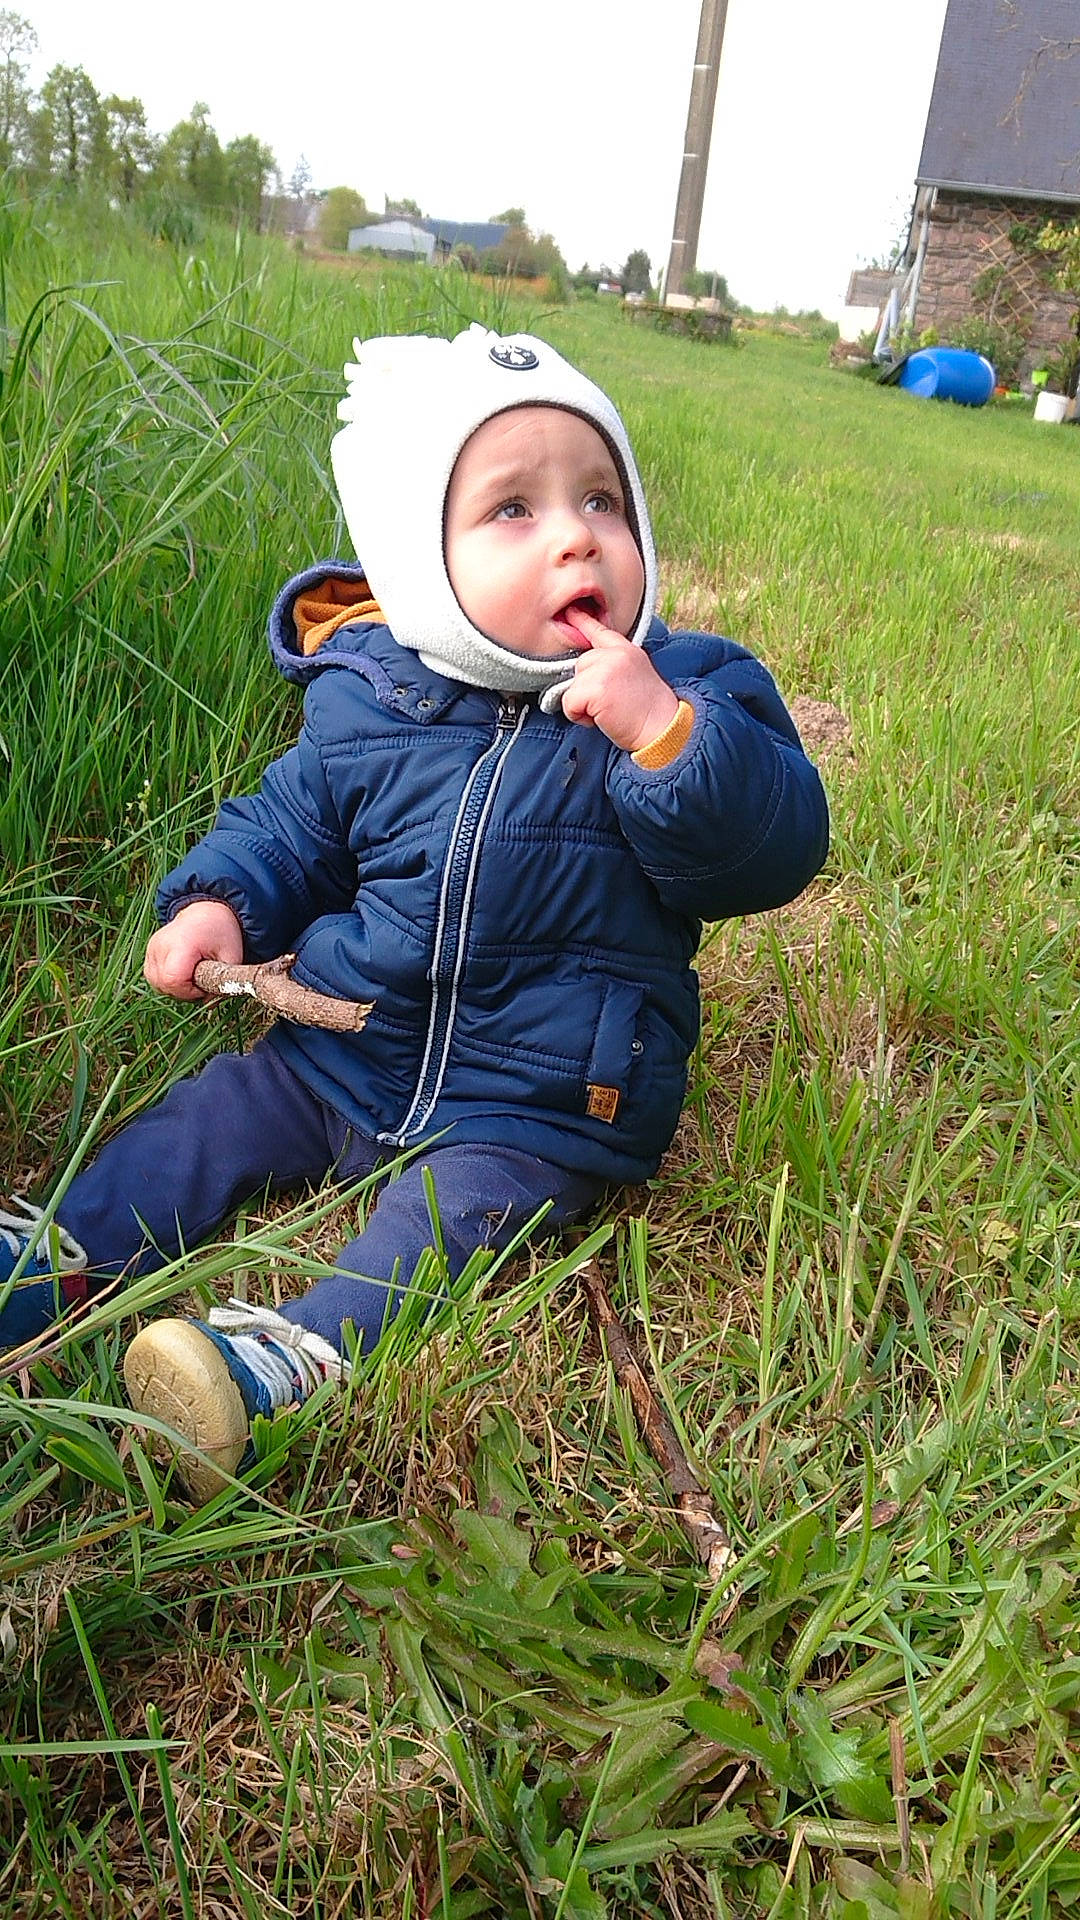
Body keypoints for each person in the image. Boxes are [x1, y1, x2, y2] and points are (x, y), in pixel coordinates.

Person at [0, 325, 829, 1499]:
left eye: (602, 498)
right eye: (513, 510)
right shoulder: (376, 693)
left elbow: (774, 847)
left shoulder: (695, 694)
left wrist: (665, 743)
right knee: (212, 1117)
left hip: (538, 1102)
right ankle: (59, 1256)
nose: (575, 534)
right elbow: (288, 825)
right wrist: (216, 904)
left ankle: (285, 1359)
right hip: (344, 1044)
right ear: (419, 564)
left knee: (446, 1225)